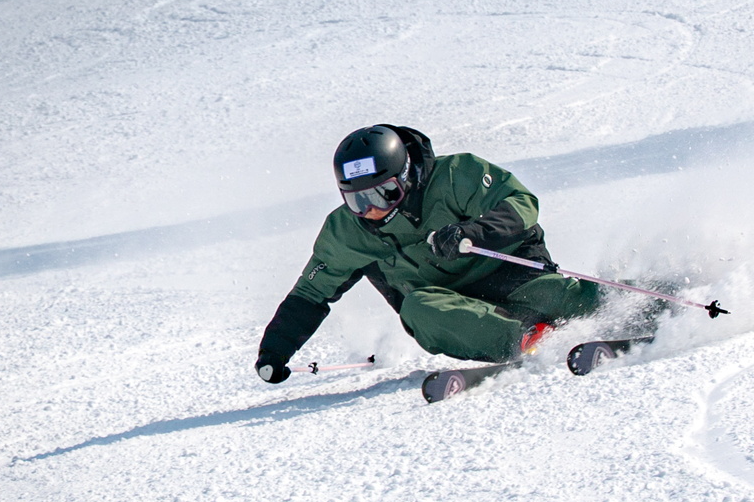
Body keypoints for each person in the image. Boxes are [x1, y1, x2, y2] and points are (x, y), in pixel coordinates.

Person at [255, 124, 600, 383]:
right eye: (357, 200)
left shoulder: (455, 175)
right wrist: (275, 351)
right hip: (447, 306)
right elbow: (311, 293)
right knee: (419, 310)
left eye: (384, 194)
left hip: (510, 275)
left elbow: (521, 204)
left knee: (561, 299)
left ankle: (636, 300)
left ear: (405, 175)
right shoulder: (346, 231)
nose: (372, 209)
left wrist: (470, 232)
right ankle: (525, 337)